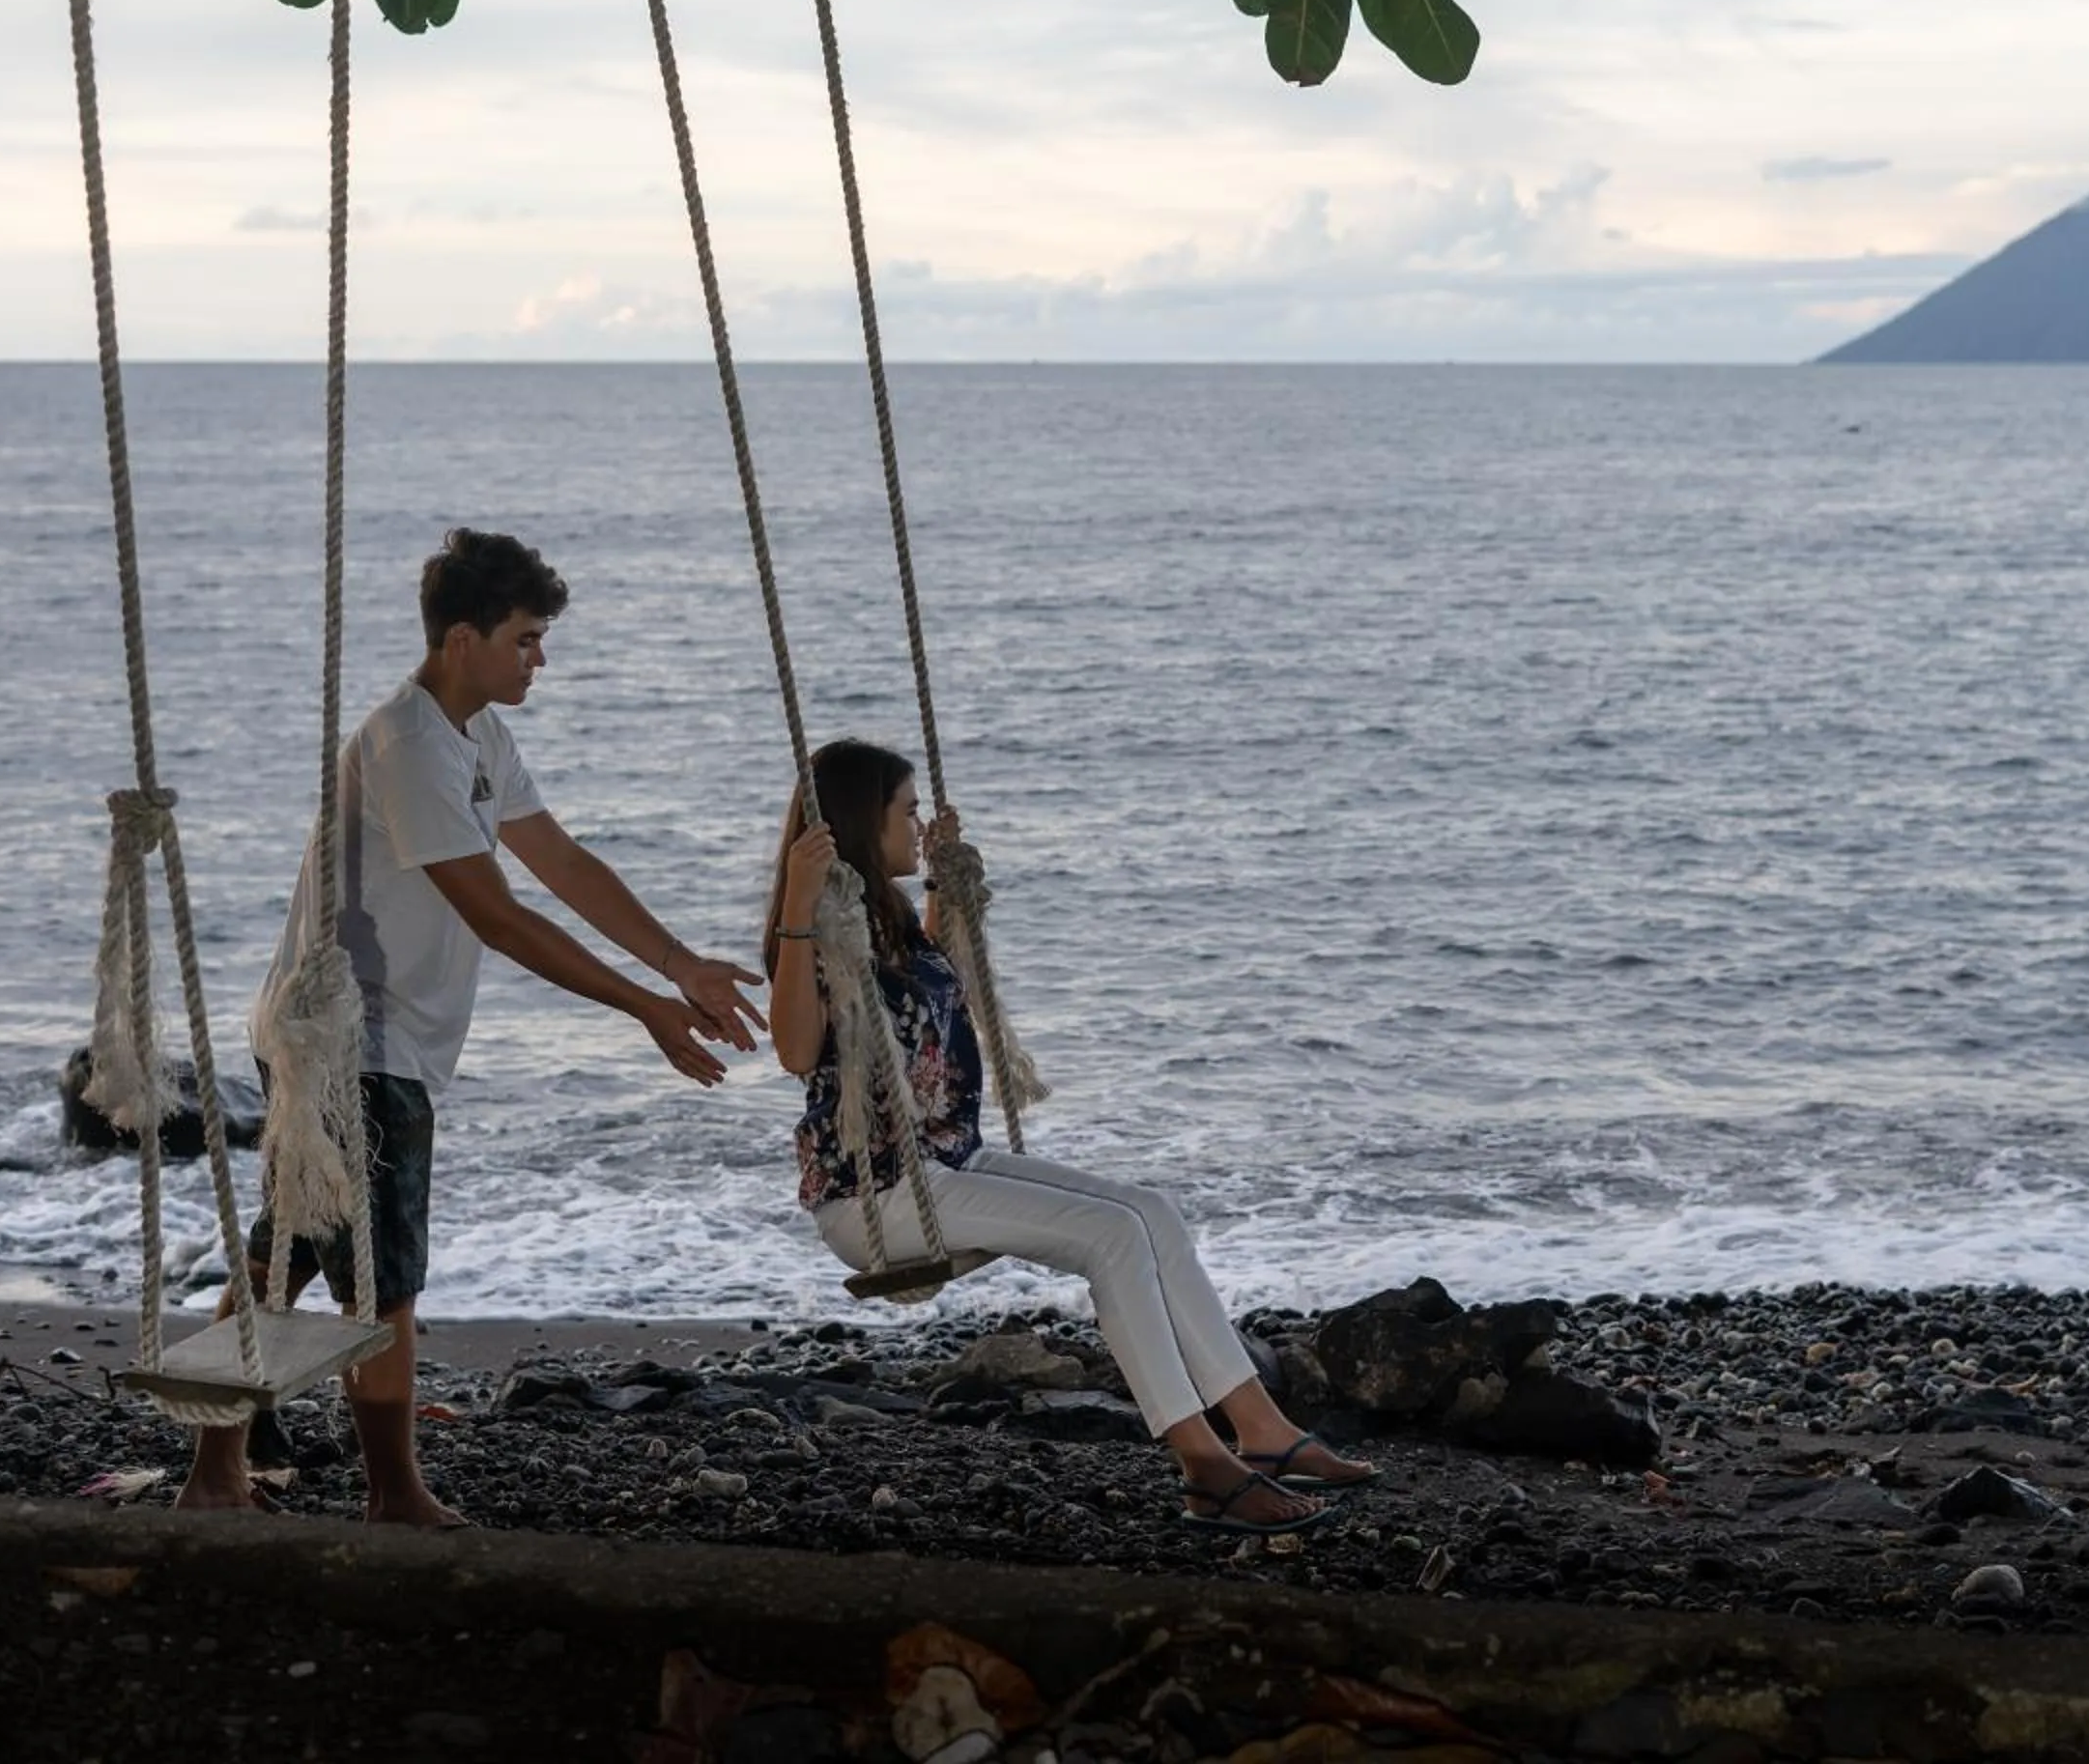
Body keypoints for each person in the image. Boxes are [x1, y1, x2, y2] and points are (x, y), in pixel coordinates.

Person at [177, 527, 764, 1525]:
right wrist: (646, 1009)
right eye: (527, 639)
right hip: (353, 1038)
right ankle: (392, 1492)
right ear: (462, 637)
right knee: (382, 1279)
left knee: (292, 1251)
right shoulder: (409, 744)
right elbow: (499, 914)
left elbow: (563, 864)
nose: (540, 658)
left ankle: (216, 1473)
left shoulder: (476, 734)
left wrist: (678, 962)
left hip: (357, 1033)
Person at [766, 738, 1373, 1535]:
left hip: (948, 1162)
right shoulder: (820, 929)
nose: (918, 826)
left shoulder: (890, 917)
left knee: (1149, 1211)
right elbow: (795, 1051)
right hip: (875, 1197)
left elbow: (931, 1004)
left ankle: (1263, 1433)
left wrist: (947, 885)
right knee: (1113, 1237)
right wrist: (796, 910)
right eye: (908, 812)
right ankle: (1202, 1465)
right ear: (858, 820)